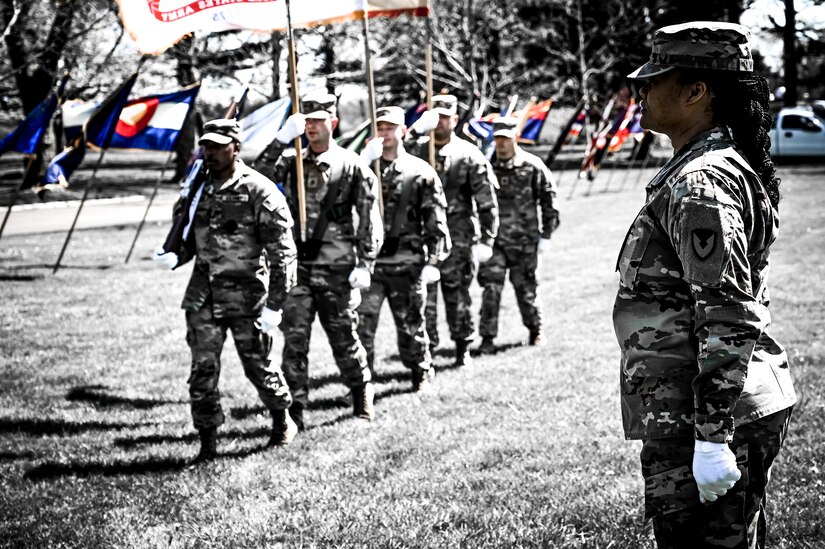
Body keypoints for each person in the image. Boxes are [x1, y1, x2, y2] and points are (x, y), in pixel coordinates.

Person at [614, 21, 796, 548]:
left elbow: (728, 313)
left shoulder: (701, 182)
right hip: (706, 412)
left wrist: (712, 437)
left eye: (655, 79)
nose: (640, 90)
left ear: (696, 91)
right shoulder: (701, 169)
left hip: (710, 418)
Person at [153, 118, 299, 462]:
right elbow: (188, 236)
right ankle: (208, 441)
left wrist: (275, 304)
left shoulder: (258, 190)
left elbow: (283, 253)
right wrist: (174, 255)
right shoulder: (196, 188)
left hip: (248, 294)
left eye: (219, 146)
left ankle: (281, 419)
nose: (211, 152)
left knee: (258, 366)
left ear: (236, 146)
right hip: (204, 294)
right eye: (206, 146)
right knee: (202, 368)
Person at [254, 91, 383, 429]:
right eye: (306, 120)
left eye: (317, 120)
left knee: (344, 337)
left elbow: (370, 216)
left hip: (337, 268)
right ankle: (294, 408)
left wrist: (365, 264)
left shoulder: (351, 165)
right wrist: (281, 139)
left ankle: (361, 393)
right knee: (295, 341)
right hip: (298, 267)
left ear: (333, 123)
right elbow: (255, 178)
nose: (310, 126)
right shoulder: (290, 160)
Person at [356, 106, 451, 390]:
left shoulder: (420, 171)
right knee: (363, 328)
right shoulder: (362, 169)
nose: (384, 133)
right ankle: (362, 382)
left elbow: (436, 218)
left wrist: (434, 260)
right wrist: (362, 163)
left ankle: (420, 370)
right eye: (380, 128)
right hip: (370, 265)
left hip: (407, 263)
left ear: (403, 131)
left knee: (411, 324)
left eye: (390, 128)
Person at [406, 94, 499, 366]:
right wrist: (416, 131)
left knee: (459, 297)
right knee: (425, 302)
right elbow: (393, 156)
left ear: (455, 120)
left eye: (445, 117)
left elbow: (486, 201)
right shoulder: (418, 150)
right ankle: (428, 352)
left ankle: (462, 348)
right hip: (423, 239)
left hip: (459, 239)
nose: (440, 123)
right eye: (435, 117)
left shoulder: (468, 154)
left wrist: (487, 239)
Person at [477, 116, 560, 354]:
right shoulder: (485, 168)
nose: (501, 144)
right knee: (491, 289)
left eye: (506, 138)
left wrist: (546, 235)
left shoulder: (532, 166)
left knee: (527, 290)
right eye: (498, 138)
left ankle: (536, 330)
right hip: (494, 243)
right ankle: (487, 338)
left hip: (525, 242)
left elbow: (549, 201)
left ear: (516, 137)